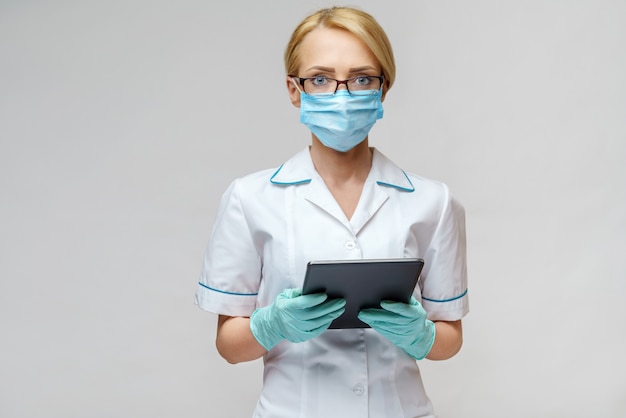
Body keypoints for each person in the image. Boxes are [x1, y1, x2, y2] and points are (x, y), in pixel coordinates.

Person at [195, 6, 469, 418]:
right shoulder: (249, 198)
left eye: (361, 79)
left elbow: (450, 339)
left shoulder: (433, 201)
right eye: (320, 79)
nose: (342, 95)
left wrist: (422, 335)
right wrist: (271, 324)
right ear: (294, 90)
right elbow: (229, 346)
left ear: (383, 89)